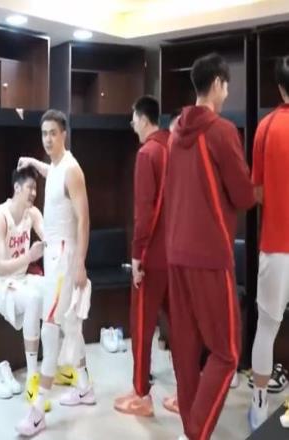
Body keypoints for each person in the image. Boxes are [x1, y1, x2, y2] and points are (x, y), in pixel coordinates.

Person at [164, 53, 255, 440]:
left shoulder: (174, 133)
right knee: (227, 352)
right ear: (217, 83)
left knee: (186, 353)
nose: (227, 92)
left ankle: (190, 428)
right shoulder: (221, 131)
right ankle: (196, 433)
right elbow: (244, 195)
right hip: (209, 255)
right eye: (227, 85)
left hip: (176, 253)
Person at [15, 109, 93, 437]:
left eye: (53, 133)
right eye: (44, 133)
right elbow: (52, 171)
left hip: (64, 257)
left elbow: (84, 219)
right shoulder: (57, 167)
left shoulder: (72, 170)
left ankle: (37, 411)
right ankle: (85, 387)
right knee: (71, 325)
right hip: (53, 256)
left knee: (50, 329)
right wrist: (34, 163)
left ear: (64, 134)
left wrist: (80, 263)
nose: (48, 139)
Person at [114, 95, 173, 417]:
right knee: (179, 326)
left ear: (144, 118)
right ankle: (187, 393)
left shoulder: (147, 153)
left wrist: (137, 256)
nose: (132, 124)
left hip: (152, 256)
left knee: (141, 326)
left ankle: (141, 393)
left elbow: (144, 212)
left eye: (134, 119)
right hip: (177, 254)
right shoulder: (174, 148)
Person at [248, 55, 289, 431]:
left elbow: (257, 191)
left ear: (279, 87)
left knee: (267, 326)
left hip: (276, 245)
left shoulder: (266, 127)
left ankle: (259, 407)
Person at [0, 166, 46, 396]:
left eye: (36, 188)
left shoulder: (33, 214)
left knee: (55, 291)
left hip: (20, 278)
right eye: (30, 187)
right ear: (17, 187)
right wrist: (29, 257)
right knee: (33, 298)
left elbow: (48, 237)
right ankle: (32, 379)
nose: (33, 193)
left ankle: (58, 363)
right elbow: (0, 266)